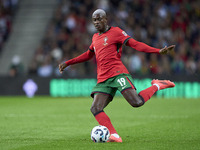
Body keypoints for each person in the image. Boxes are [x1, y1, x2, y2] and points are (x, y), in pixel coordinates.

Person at [59, 9, 175, 142]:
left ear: (105, 19)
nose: (96, 22)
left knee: (136, 102)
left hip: (117, 74)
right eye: (94, 20)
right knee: (95, 108)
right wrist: (68, 63)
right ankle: (114, 135)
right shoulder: (95, 37)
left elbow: (135, 44)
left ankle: (156, 85)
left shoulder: (116, 32)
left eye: (99, 19)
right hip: (103, 79)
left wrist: (158, 51)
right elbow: (88, 55)